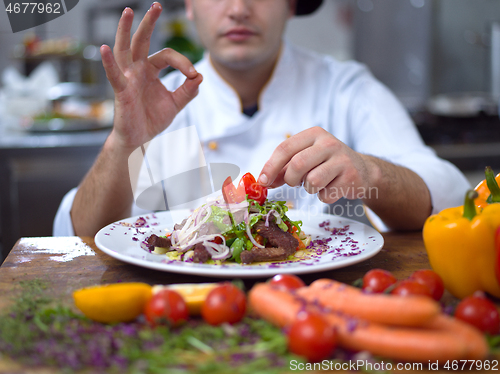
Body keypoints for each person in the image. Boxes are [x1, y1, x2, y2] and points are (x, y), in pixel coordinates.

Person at [54, 0, 469, 237]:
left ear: (291, 4)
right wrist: (123, 142)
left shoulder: (344, 88)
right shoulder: (160, 103)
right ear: (191, 7)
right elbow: (77, 237)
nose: (238, 9)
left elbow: (447, 193)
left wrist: (370, 172)